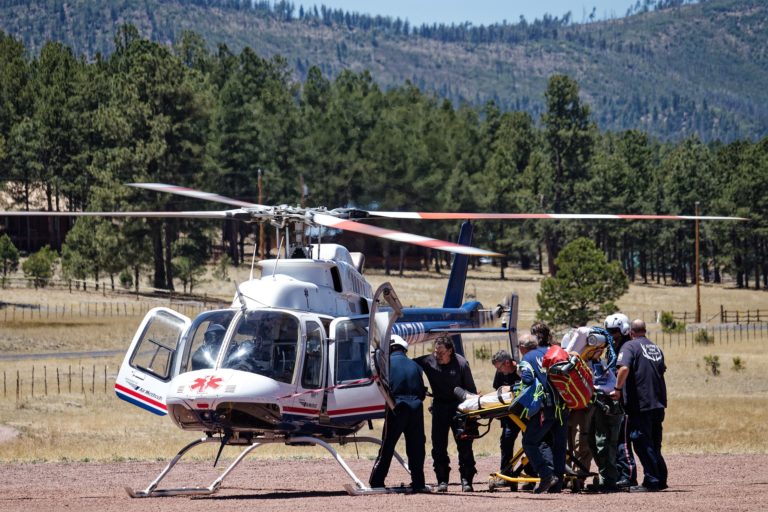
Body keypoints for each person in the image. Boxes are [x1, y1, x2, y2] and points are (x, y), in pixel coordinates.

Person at [610, 319, 668, 492]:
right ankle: (661, 478)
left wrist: (617, 389)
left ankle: (652, 481)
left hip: (640, 404)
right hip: (658, 403)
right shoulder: (655, 347)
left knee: (641, 441)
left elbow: (624, 369)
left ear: (630, 332)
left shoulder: (629, 347)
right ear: (645, 330)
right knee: (654, 443)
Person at [415, 337, 477, 492]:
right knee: (438, 446)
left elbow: (471, 391)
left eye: (441, 352)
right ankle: (442, 480)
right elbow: (409, 367)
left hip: (460, 409)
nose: (437, 355)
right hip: (440, 407)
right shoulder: (428, 361)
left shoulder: (461, 363)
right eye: (436, 351)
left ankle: (466, 480)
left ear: (450, 351)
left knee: (464, 446)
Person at [369, 335, 428, 492]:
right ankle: (418, 482)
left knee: (388, 445)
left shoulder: (386, 364)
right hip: (416, 409)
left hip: (397, 408)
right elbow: (422, 392)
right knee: (416, 446)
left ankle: (377, 481)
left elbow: (383, 387)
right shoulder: (415, 365)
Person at [518, 330, 569, 494]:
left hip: (545, 409)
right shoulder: (551, 353)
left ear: (522, 348)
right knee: (559, 446)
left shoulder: (527, 359)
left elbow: (527, 380)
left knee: (530, 442)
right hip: (563, 406)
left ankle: (546, 475)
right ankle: (557, 485)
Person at [604, 312, 639, 489]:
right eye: (608, 332)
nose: (611, 335)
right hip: (615, 402)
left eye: (614, 332)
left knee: (623, 440)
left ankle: (628, 476)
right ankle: (618, 474)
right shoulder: (612, 350)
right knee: (616, 440)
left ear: (623, 330)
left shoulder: (627, 348)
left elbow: (623, 371)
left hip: (625, 402)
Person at [490, 349, 520, 480]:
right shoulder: (500, 373)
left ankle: (532, 474)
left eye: (500, 367)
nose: (500, 371)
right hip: (509, 416)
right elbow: (497, 390)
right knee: (506, 441)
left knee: (531, 443)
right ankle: (506, 474)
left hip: (527, 414)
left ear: (507, 362)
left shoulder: (522, 370)